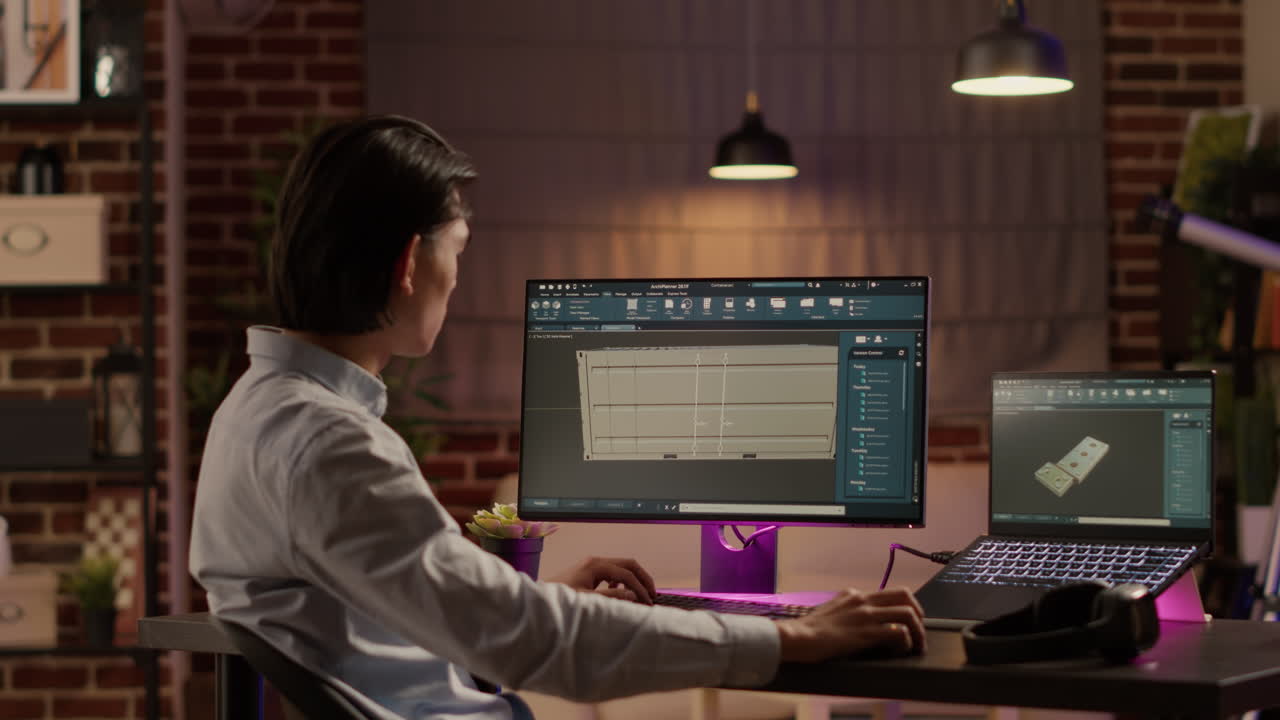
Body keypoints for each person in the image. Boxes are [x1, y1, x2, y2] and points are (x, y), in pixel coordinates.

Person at [189, 115, 926, 720]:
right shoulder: (327, 443)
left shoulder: (256, 412)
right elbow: (539, 650)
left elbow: (394, 624)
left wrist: (528, 602)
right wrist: (792, 639)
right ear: (410, 264)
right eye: (458, 253)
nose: (456, 279)